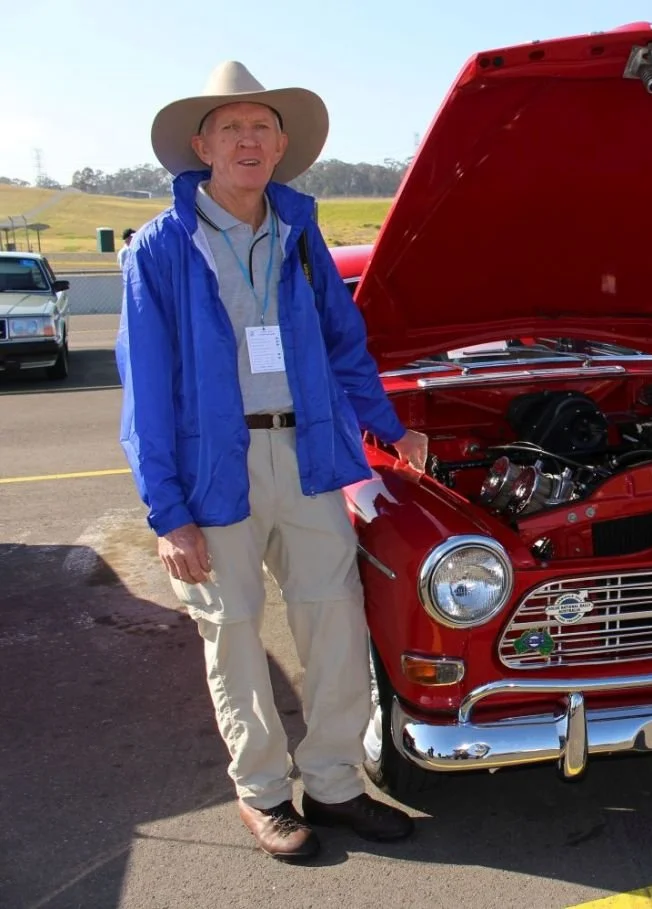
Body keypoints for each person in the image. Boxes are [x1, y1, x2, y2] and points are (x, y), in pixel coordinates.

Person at [116, 60, 428, 862]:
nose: (248, 140)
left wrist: (388, 427)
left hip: (310, 451)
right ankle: (261, 793)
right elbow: (145, 392)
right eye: (232, 128)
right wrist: (168, 512)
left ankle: (332, 782)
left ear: (282, 144)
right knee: (234, 630)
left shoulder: (297, 230)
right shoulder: (159, 248)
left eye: (261, 127)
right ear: (202, 144)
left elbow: (342, 339)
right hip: (214, 467)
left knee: (334, 618)